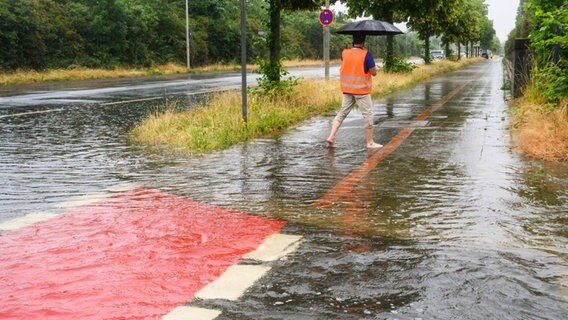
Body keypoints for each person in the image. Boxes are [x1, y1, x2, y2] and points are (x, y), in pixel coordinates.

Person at [325, 33, 382, 149]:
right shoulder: (366, 55)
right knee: (367, 115)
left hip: (347, 89)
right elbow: (374, 73)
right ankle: (370, 142)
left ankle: (331, 136)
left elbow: (347, 64)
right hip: (361, 91)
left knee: (342, 113)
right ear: (363, 42)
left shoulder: (344, 53)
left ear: (353, 41)